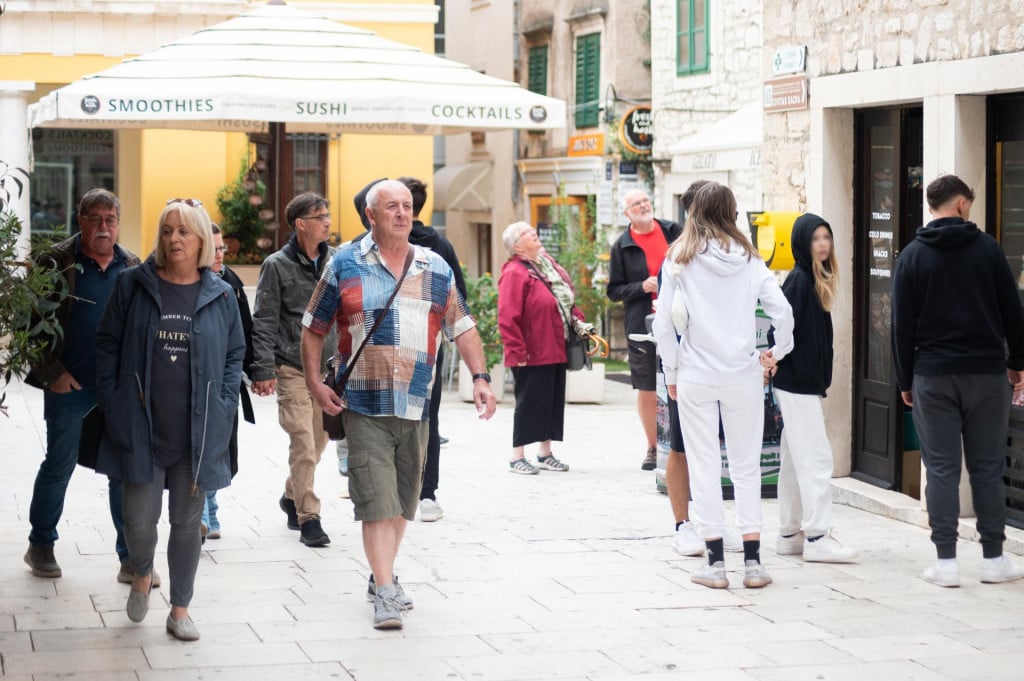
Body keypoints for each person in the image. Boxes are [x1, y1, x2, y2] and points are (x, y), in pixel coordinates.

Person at [301, 179, 496, 630]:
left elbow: (461, 325)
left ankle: (380, 575)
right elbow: (314, 326)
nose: (402, 214)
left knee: (403, 503)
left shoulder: (435, 266)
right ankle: (386, 591)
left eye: (406, 206)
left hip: (416, 404)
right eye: (391, 206)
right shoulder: (345, 263)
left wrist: (481, 377)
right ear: (371, 214)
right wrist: (313, 381)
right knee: (375, 502)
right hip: (363, 404)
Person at [95, 198, 244, 641]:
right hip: (140, 425)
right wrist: (114, 399)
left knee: (186, 524)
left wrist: (223, 403)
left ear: (200, 239)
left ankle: (180, 609)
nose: (174, 238)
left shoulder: (220, 292)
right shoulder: (131, 285)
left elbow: (236, 352)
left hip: (198, 433)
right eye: (167, 230)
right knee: (138, 521)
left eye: (184, 231)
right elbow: (106, 343)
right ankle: (141, 572)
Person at [653, 182, 793, 590]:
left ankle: (714, 563)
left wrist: (672, 372)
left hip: (696, 373)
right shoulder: (749, 259)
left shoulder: (679, 258)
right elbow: (782, 311)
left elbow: (663, 324)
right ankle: (753, 561)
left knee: (704, 464)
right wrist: (775, 352)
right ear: (731, 211)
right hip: (743, 374)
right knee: (746, 466)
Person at [892, 174, 1024, 587]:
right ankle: (993, 558)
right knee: (986, 469)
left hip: (932, 375)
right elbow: (1012, 311)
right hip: (986, 374)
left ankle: (946, 562)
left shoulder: (912, 257)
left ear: (931, 207)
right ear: (963, 204)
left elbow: (901, 327)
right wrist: (1017, 363)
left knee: (942, 469)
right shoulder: (988, 250)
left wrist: (904, 379)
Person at [23, 188, 149, 585]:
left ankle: (130, 558)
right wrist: (52, 373)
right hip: (69, 384)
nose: (103, 227)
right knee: (59, 465)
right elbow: (29, 327)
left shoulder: (131, 264)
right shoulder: (55, 263)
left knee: (122, 472)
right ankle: (40, 544)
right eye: (94, 218)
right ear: (80, 220)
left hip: (117, 389)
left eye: (110, 220)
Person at [349, 176, 467, 521]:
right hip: (426, 352)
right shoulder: (440, 246)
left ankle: (382, 485)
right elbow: (460, 303)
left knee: (374, 418)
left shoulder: (358, 249)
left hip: (375, 355)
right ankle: (424, 492)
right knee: (425, 418)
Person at [770, 213, 858, 563]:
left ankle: (790, 533)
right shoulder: (799, 282)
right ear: (802, 243)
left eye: (827, 237)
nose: (823, 244)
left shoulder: (811, 280)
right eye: (815, 238)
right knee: (816, 457)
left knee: (794, 458)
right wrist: (774, 356)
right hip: (797, 382)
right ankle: (818, 536)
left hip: (800, 381)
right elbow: (783, 331)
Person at [251, 192, 336, 547]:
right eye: (320, 216)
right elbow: (265, 318)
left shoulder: (338, 261)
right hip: (291, 367)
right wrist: (262, 369)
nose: (328, 221)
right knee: (302, 441)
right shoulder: (276, 265)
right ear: (301, 224)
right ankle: (309, 516)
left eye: (328, 215)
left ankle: (291, 495)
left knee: (320, 441)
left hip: (330, 370)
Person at [498, 222, 592, 474]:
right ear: (517, 246)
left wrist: (578, 319)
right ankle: (517, 456)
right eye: (526, 233)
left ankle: (545, 453)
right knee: (529, 402)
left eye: (532, 230)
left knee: (551, 400)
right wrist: (516, 352)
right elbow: (507, 317)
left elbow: (563, 297)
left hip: (555, 344)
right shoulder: (514, 272)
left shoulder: (546, 263)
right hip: (531, 351)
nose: (533, 234)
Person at [607, 188, 683, 470]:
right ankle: (653, 446)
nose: (642, 205)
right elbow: (613, 291)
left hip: (677, 319)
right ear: (627, 213)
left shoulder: (672, 230)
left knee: (680, 380)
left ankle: (678, 441)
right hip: (642, 324)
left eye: (645, 201)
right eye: (635, 204)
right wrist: (642, 287)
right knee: (647, 386)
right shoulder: (622, 246)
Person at [200, 224, 256, 540]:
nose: (221, 254)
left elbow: (244, 332)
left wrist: (256, 371)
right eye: (215, 249)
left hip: (224, 381)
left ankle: (211, 509)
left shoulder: (230, 282)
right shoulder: (185, 284)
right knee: (200, 445)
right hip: (193, 379)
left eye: (223, 249)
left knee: (218, 445)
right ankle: (206, 514)